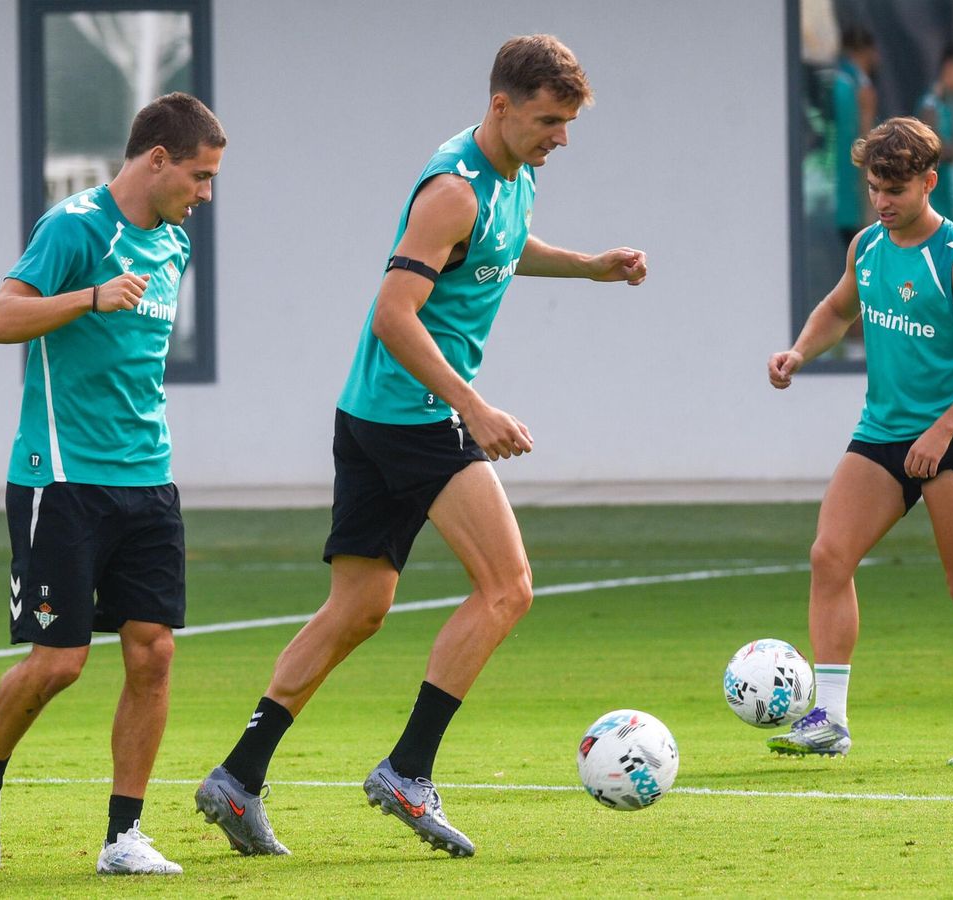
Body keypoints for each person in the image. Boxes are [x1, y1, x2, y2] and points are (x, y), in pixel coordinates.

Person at [193, 34, 647, 859]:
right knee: (508, 588)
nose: (562, 138)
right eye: (550, 120)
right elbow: (393, 314)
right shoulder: (452, 189)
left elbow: (498, 253)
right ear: (500, 106)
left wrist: (588, 266)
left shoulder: (514, 175)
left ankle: (237, 777)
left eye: (571, 122)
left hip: (373, 414)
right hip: (414, 416)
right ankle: (408, 770)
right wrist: (471, 405)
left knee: (357, 609)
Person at [0, 92, 226, 876]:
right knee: (60, 661)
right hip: (62, 478)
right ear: (157, 160)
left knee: (153, 654)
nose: (205, 194)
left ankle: (122, 837)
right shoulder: (75, 227)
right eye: (200, 176)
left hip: (150, 479)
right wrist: (91, 297)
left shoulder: (173, 241)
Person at [766, 116, 953, 766]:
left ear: (929, 182)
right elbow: (837, 309)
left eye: (896, 190)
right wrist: (798, 352)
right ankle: (828, 719)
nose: (883, 202)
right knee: (829, 556)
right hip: (881, 433)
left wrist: (942, 431)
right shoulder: (868, 246)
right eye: (875, 188)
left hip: (952, 440)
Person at [833, 25, 879, 251]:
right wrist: (869, 208)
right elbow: (863, 146)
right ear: (866, 51)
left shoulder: (836, 82)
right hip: (852, 200)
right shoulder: (858, 88)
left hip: (835, 199)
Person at [917, 44, 953, 222]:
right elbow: (933, 149)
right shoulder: (930, 105)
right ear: (949, 66)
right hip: (936, 202)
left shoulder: (945, 104)